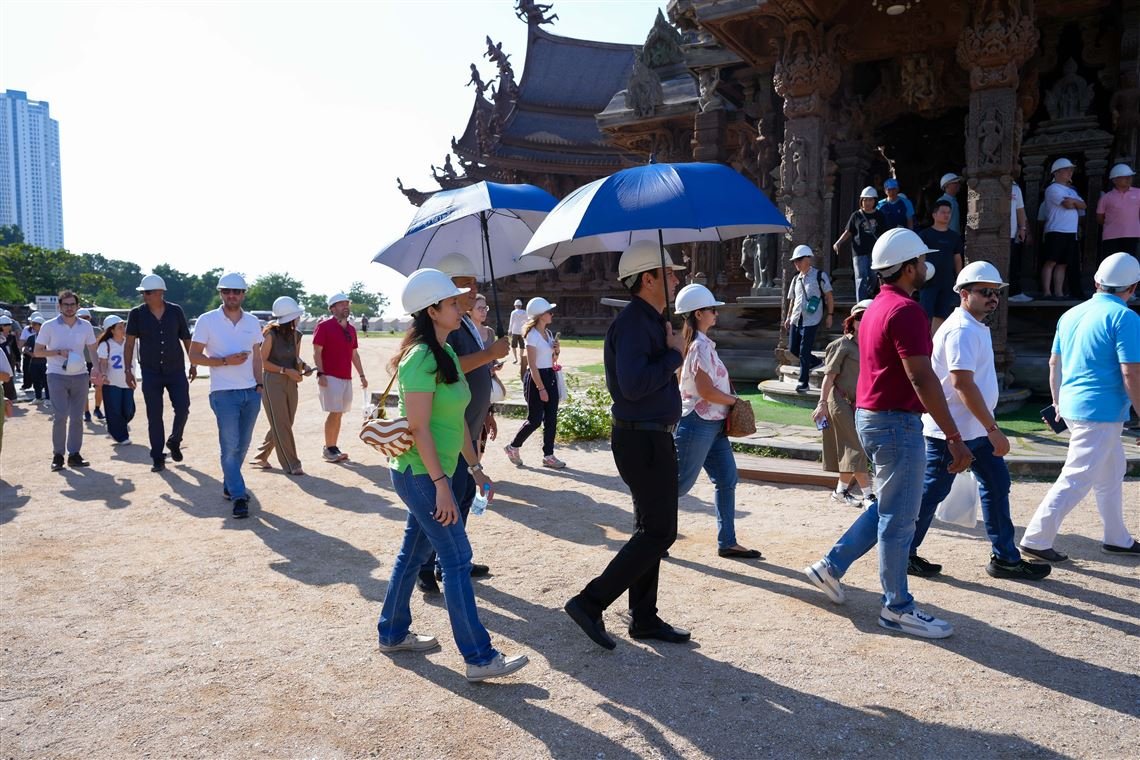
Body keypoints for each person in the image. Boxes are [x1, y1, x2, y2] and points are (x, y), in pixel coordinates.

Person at [803, 228, 972, 639]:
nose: (925, 266)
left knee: (888, 507)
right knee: (900, 518)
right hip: (895, 422)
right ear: (909, 267)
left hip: (873, 417)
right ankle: (896, 607)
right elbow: (921, 377)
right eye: (921, 261)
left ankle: (831, 566)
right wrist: (953, 436)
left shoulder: (876, 306)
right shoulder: (907, 311)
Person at [376, 267, 529, 683]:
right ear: (431, 310)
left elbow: (458, 419)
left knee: (413, 554)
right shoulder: (421, 358)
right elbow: (419, 427)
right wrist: (442, 486)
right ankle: (479, 657)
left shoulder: (444, 352)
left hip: (437, 472)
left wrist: (475, 468)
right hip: (421, 475)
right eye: (452, 303)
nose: (460, 307)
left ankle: (392, 633)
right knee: (458, 559)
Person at [564, 239, 691, 651]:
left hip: (649, 435)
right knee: (660, 532)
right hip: (642, 437)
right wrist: (674, 356)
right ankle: (590, 602)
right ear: (647, 279)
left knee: (649, 530)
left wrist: (669, 352)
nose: (676, 280)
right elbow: (634, 386)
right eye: (668, 273)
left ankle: (644, 617)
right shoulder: (636, 322)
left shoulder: (649, 320)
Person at [909, 262, 1051, 580]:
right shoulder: (962, 329)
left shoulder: (971, 325)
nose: (993, 298)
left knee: (996, 485)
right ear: (964, 294)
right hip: (953, 432)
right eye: (985, 291)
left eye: (996, 292)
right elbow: (962, 384)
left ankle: (1005, 558)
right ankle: (902, 551)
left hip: (971, 429)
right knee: (932, 493)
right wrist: (993, 429)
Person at [1020, 252, 1140, 560]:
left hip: (1074, 406)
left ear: (1097, 282)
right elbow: (1131, 372)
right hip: (1101, 411)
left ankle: (1117, 537)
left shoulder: (1071, 314)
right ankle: (1036, 539)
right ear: (1133, 287)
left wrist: (1057, 403)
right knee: (1078, 476)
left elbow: (1054, 364)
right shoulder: (1126, 317)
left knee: (1112, 470)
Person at [413, 253, 509, 594]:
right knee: (445, 500)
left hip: (469, 425)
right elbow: (453, 369)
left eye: (475, 283)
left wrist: (486, 410)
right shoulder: (445, 330)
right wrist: (490, 353)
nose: (473, 289)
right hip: (451, 432)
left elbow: (474, 377)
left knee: (464, 494)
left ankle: (450, 559)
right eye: (465, 283)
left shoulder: (464, 322)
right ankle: (429, 564)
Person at [674, 283, 760, 559]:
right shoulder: (699, 347)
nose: (716, 313)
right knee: (677, 485)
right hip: (699, 422)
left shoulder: (700, 345)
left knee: (726, 478)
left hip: (712, 423)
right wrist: (734, 401)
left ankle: (728, 542)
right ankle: (650, 535)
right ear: (698, 313)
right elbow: (706, 391)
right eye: (712, 309)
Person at [189, 273, 264, 519]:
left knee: (243, 445)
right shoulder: (207, 320)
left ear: (243, 294)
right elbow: (194, 356)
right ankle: (239, 496)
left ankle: (229, 483)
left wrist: (260, 385)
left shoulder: (252, 321)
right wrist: (224, 361)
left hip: (251, 392)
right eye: (226, 291)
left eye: (236, 291)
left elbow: (257, 356)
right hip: (223, 394)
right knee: (230, 447)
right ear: (220, 293)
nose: (231, 295)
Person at [124, 273, 196, 472]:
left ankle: (174, 440)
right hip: (150, 371)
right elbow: (129, 344)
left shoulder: (175, 311)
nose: (144, 296)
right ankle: (157, 456)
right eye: (143, 293)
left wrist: (193, 363)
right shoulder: (136, 314)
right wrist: (128, 370)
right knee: (154, 415)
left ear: (160, 293)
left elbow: (186, 338)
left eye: (148, 292)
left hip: (176, 369)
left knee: (183, 408)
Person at [814, 299, 874, 508]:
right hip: (839, 401)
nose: (862, 321)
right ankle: (869, 495)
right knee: (856, 446)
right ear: (852, 321)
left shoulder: (874, 345)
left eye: (867, 317)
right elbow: (829, 377)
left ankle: (840, 492)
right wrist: (822, 403)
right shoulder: (841, 345)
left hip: (862, 403)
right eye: (859, 317)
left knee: (852, 448)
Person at [34, 290, 98, 471]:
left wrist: (97, 368)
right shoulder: (49, 326)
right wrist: (57, 352)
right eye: (66, 305)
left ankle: (74, 455)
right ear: (59, 306)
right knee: (60, 416)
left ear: (78, 306)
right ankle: (58, 455)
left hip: (80, 375)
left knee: (77, 417)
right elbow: (37, 351)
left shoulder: (85, 326)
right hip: (56, 375)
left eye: (72, 304)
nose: (69, 308)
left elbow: (92, 349)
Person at [250, 296, 312, 476]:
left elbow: (295, 358)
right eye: (296, 315)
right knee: (282, 423)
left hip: (291, 381)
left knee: (286, 422)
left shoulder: (297, 335)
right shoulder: (270, 335)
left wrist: (304, 367)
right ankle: (292, 464)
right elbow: (262, 362)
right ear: (290, 317)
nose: (299, 318)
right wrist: (285, 370)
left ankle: (261, 456)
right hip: (272, 382)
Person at [504, 296, 565, 470]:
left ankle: (548, 456)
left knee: (551, 419)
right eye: (549, 312)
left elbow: (552, 359)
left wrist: (556, 351)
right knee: (535, 420)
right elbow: (532, 365)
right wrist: (541, 388)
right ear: (539, 315)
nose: (552, 314)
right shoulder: (532, 336)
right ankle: (513, 447)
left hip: (550, 375)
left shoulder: (549, 333)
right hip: (536, 379)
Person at [313, 292, 367, 463]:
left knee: (339, 413)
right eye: (341, 304)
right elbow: (317, 352)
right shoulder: (324, 326)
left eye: (347, 304)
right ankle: (329, 448)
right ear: (332, 308)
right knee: (335, 411)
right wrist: (321, 373)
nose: (346, 307)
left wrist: (362, 375)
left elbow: (354, 355)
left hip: (346, 377)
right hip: (330, 376)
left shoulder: (351, 329)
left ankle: (333, 446)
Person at [784, 245, 834, 393]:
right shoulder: (796, 279)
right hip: (796, 318)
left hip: (812, 319)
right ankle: (816, 361)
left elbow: (829, 296)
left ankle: (803, 382)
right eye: (795, 261)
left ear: (808, 259)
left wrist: (830, 315)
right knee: (793, 349)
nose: (797, 263)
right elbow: (792, 300)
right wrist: (788, 317)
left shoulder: (819, 276)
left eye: (799, 260)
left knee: (804, 351)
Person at [1040, 157, 1086, 299]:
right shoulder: (1052, 189)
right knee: (1051, 261)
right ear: (1057, 172)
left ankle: (1059, 292)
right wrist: (1075, 202)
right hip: (1056, 230)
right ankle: (1047, 292)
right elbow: (1067, 205)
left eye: (1071, 170)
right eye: (1066, 170)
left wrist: (1074, 201)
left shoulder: (1072, 191)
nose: (1070, 172)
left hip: (1071, 232)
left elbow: (1084, 205)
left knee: (1063, 264)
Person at [917, 199, 965, 335]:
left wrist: (959, 278)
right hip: (928, 282)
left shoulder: (954, 236)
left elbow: (957, 258)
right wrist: (920, 276)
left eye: (949, 212)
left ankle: (935, 342)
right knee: (925, 313)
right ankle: (923, 340)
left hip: (947, 281)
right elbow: (920, 257)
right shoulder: (924, 235)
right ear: (934, 215)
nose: (946, 215)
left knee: (942, 314)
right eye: (943, 212)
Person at [833, 186, 886, 302]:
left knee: (873, 276)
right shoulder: (856, 215)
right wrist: (838, 242)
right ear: (861, 201)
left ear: (875, 201)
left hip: (874, 252)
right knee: (861, 277)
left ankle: (869, 296)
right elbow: (848, 232)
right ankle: (860, 303)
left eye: (870, 200)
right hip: (859, 251)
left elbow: (884, 233)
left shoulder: (880, 216)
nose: (867, 202)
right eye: (865, 200)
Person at [96, 315, 135, 446]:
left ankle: (114, 427)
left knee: (129, 410)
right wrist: (103, 374)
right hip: (112, 383)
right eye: (119, 327)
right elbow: (103, 362)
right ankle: (121, 436)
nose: (123, 329)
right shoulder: (105, 344)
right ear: (111, 330)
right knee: (115, 411)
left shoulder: (130, 342)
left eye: (123, 326)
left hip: (128, 382)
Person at [1096, 163, 1140, 263]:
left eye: (1130, 176)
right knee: (1112, 265)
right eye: (1125, 177)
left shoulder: (1139, 193)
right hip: (1110, 237)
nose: (1129, 179)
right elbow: (1099, 218)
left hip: (1132, 236)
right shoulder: (1106, 197)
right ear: (1115, 180)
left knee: (1131, 264)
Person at [1008, 177, 1033, 302]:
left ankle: (1014, 292)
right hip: (995, 233)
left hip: (1012, 233)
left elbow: (1020, 209)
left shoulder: (1015, 188)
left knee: (1013, 264)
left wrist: (1022, 228)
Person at [76, 308, 99, 422]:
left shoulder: (97, 331)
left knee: (99, 387)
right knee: (84, 389)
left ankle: (97, 408)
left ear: (89, 318)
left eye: (85, 317)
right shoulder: (74, 331)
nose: (84, 320)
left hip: (96, 362)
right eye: (81, 318)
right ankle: (86, 412)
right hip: (82, 363)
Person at [23, 316, 48, 406]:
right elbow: (26, 349)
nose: (32, 326)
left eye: (34, 324)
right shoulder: (31, 338)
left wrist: (42, 353)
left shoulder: (48, 337)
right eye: (32, 324)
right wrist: (31, 354)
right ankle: (38, 397)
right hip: (34, 362)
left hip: (45, 362)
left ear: (41, 325)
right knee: (35, 380)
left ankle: (48, 398)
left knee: (46, 381)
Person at [508, 298, 527, 364]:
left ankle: (515, 358)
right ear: (521, 306)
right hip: (522, 331)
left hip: (515, 331)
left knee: (513, 346)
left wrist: (509, 330)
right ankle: (521, 359)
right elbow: (527, 321)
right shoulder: (525, 312)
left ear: (515, 305)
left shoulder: (513, 312)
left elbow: (511, 322)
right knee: (522, 346)